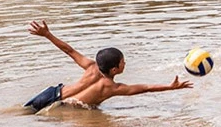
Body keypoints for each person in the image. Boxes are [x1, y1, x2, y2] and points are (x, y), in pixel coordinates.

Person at [23, 20, 192, 112]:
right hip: (64, 108)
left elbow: (69, 50)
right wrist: (170, 87)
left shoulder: (90, 66)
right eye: (122, 62)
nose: (125, 63)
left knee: (22, 112)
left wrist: (47, 34)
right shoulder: (112, 87)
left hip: (53, 93)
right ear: (114, 70)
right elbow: (145, 88)